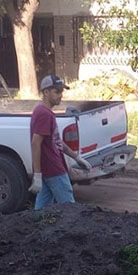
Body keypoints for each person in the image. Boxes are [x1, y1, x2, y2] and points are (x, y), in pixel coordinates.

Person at [29, 74, 91, 209]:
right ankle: (72, 230)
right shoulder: (44, 114)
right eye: (56, 91)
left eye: (61, 91)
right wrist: (37, 175)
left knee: (43, 205)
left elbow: (56, 141)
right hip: (53, 169)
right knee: (69, 208)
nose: (60, 95)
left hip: (48, 169)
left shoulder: (44, 112)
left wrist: (76, 157)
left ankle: (37, 227)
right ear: (45, 92)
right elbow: (35, 143)